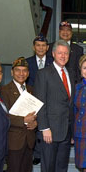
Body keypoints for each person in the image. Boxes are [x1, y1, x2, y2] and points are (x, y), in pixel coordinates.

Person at [33, 40, 75, 172]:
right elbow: (40, 102)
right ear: (53, 54)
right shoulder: (44, 74)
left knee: (61, 164)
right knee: (48, 165)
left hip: (66, 129)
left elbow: (70, 102)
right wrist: (44, 128)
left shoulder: (71, 72)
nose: (63, 56)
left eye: (66, 53)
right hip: (49, 129)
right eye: (60, 53)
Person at [0, 57, 38, 172]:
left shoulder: (31, 90)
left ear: (28, 73)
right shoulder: (4, 91)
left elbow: (36, 113)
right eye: (18, 70)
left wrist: (35, 123)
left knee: (25, 171)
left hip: (29, 138)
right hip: (14, 138)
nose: (21, 73)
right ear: (12, 72)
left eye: (24, 71)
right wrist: (23, 120)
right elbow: (4, 116)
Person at [26, 33, 53, 165]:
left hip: (49, 100)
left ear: (47, 48)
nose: (41, 48)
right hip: (32, 99)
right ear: (34, 47)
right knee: (34, 127)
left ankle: (44, 152)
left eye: (43, 46)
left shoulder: (52, 62)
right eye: (38, 45)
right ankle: (36, 154)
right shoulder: (27, 62)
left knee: (46, 125)